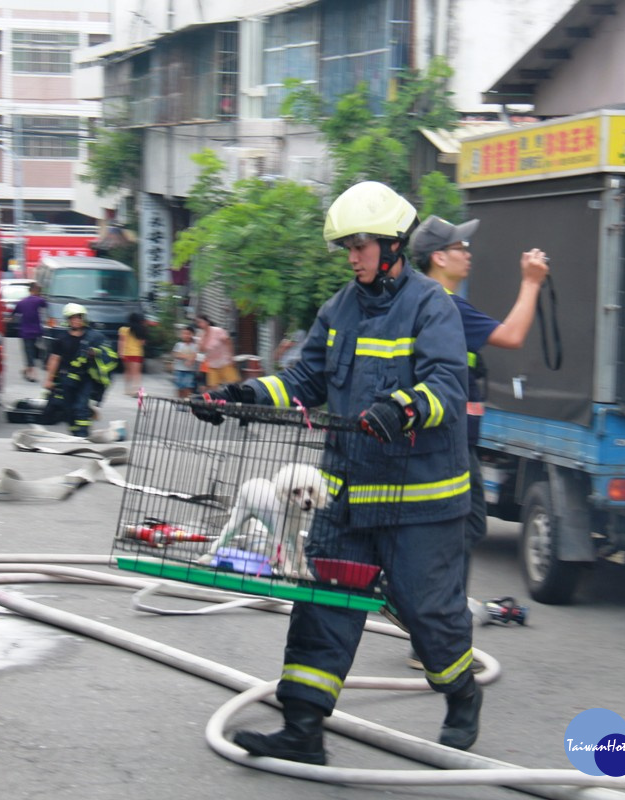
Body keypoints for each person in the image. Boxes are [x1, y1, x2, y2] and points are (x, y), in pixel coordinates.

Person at [192, 181, 478, 762]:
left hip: (420, 505)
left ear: (394, 245)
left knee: (429, 616)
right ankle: (302, 730)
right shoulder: (340, 308)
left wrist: (400, 409)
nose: (352, 257)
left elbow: (447, 386)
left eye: (361, 245)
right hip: (347, 501)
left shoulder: (431, 306)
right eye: (347, 246)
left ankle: (461, 695)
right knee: (324, 609)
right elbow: (303, 381)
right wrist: (240, 394)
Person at [404, 215, 550, 667]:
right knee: (458, 530)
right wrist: (531, 283)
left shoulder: (417, 299)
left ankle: (432, 631)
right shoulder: (442, 304)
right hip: (446, 442)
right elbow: (511, 335)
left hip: (437, 439)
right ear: (438, 257)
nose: (468, 253)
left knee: (456, 531)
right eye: (460, 246)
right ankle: (434, 637)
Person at [43, 303, 118, 436]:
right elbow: (54, 359)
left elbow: (108, 354)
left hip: (86, 378)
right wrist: (49, 379)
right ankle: (75, 432)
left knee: (80, 407)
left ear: (83, 319)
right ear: (68, 320)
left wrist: (95, 353)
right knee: (68, 410)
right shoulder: (61, 339)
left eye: (79, 317)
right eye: (73, 318)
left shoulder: (93, 337)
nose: (76, 320)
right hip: (66, 379)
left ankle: (83, 434)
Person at [13, 282, 48, 382]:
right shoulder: (40, 300)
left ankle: (29, 372)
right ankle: (30, 372)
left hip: (25, 332)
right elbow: (45, 306)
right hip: (38, 332)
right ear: (38, 291)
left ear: (29, 290)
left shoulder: (22, 302)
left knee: (29, 352)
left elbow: (15, 314)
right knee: (36, 353)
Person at [194, 314, 240, 386]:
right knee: (213, 387)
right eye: (198, 323)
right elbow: (201, 350)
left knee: (232, 383)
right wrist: (205, 337)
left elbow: (228, 342)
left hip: (224, 361)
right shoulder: (200, 335)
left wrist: (231, 356)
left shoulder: (217, 331)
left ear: (207, 322)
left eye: (201, 322)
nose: (200, 324)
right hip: (212, 364)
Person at [118, 312, 149, 396]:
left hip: (126, 353)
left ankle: (127, 390)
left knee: (127, 371)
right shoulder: (141, 329)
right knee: (136, 373)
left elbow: (121, 341)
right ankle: (136, 390)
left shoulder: (123, 329)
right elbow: (142, 343)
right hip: (137, 354)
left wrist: (120, 352)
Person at [171, 324, 200, 399]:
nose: (186, 335)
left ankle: (186, 402)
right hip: (179, 370)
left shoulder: (194, 346)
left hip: (189, 371)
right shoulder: (179, 345)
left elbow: (194, 356)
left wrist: (190, 360)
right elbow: (175, 354)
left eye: (188, 334)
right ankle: (179, 401)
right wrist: (186, 357)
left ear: (192, 335)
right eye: (184, 333)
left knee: (188, 387)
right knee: (179, 386)